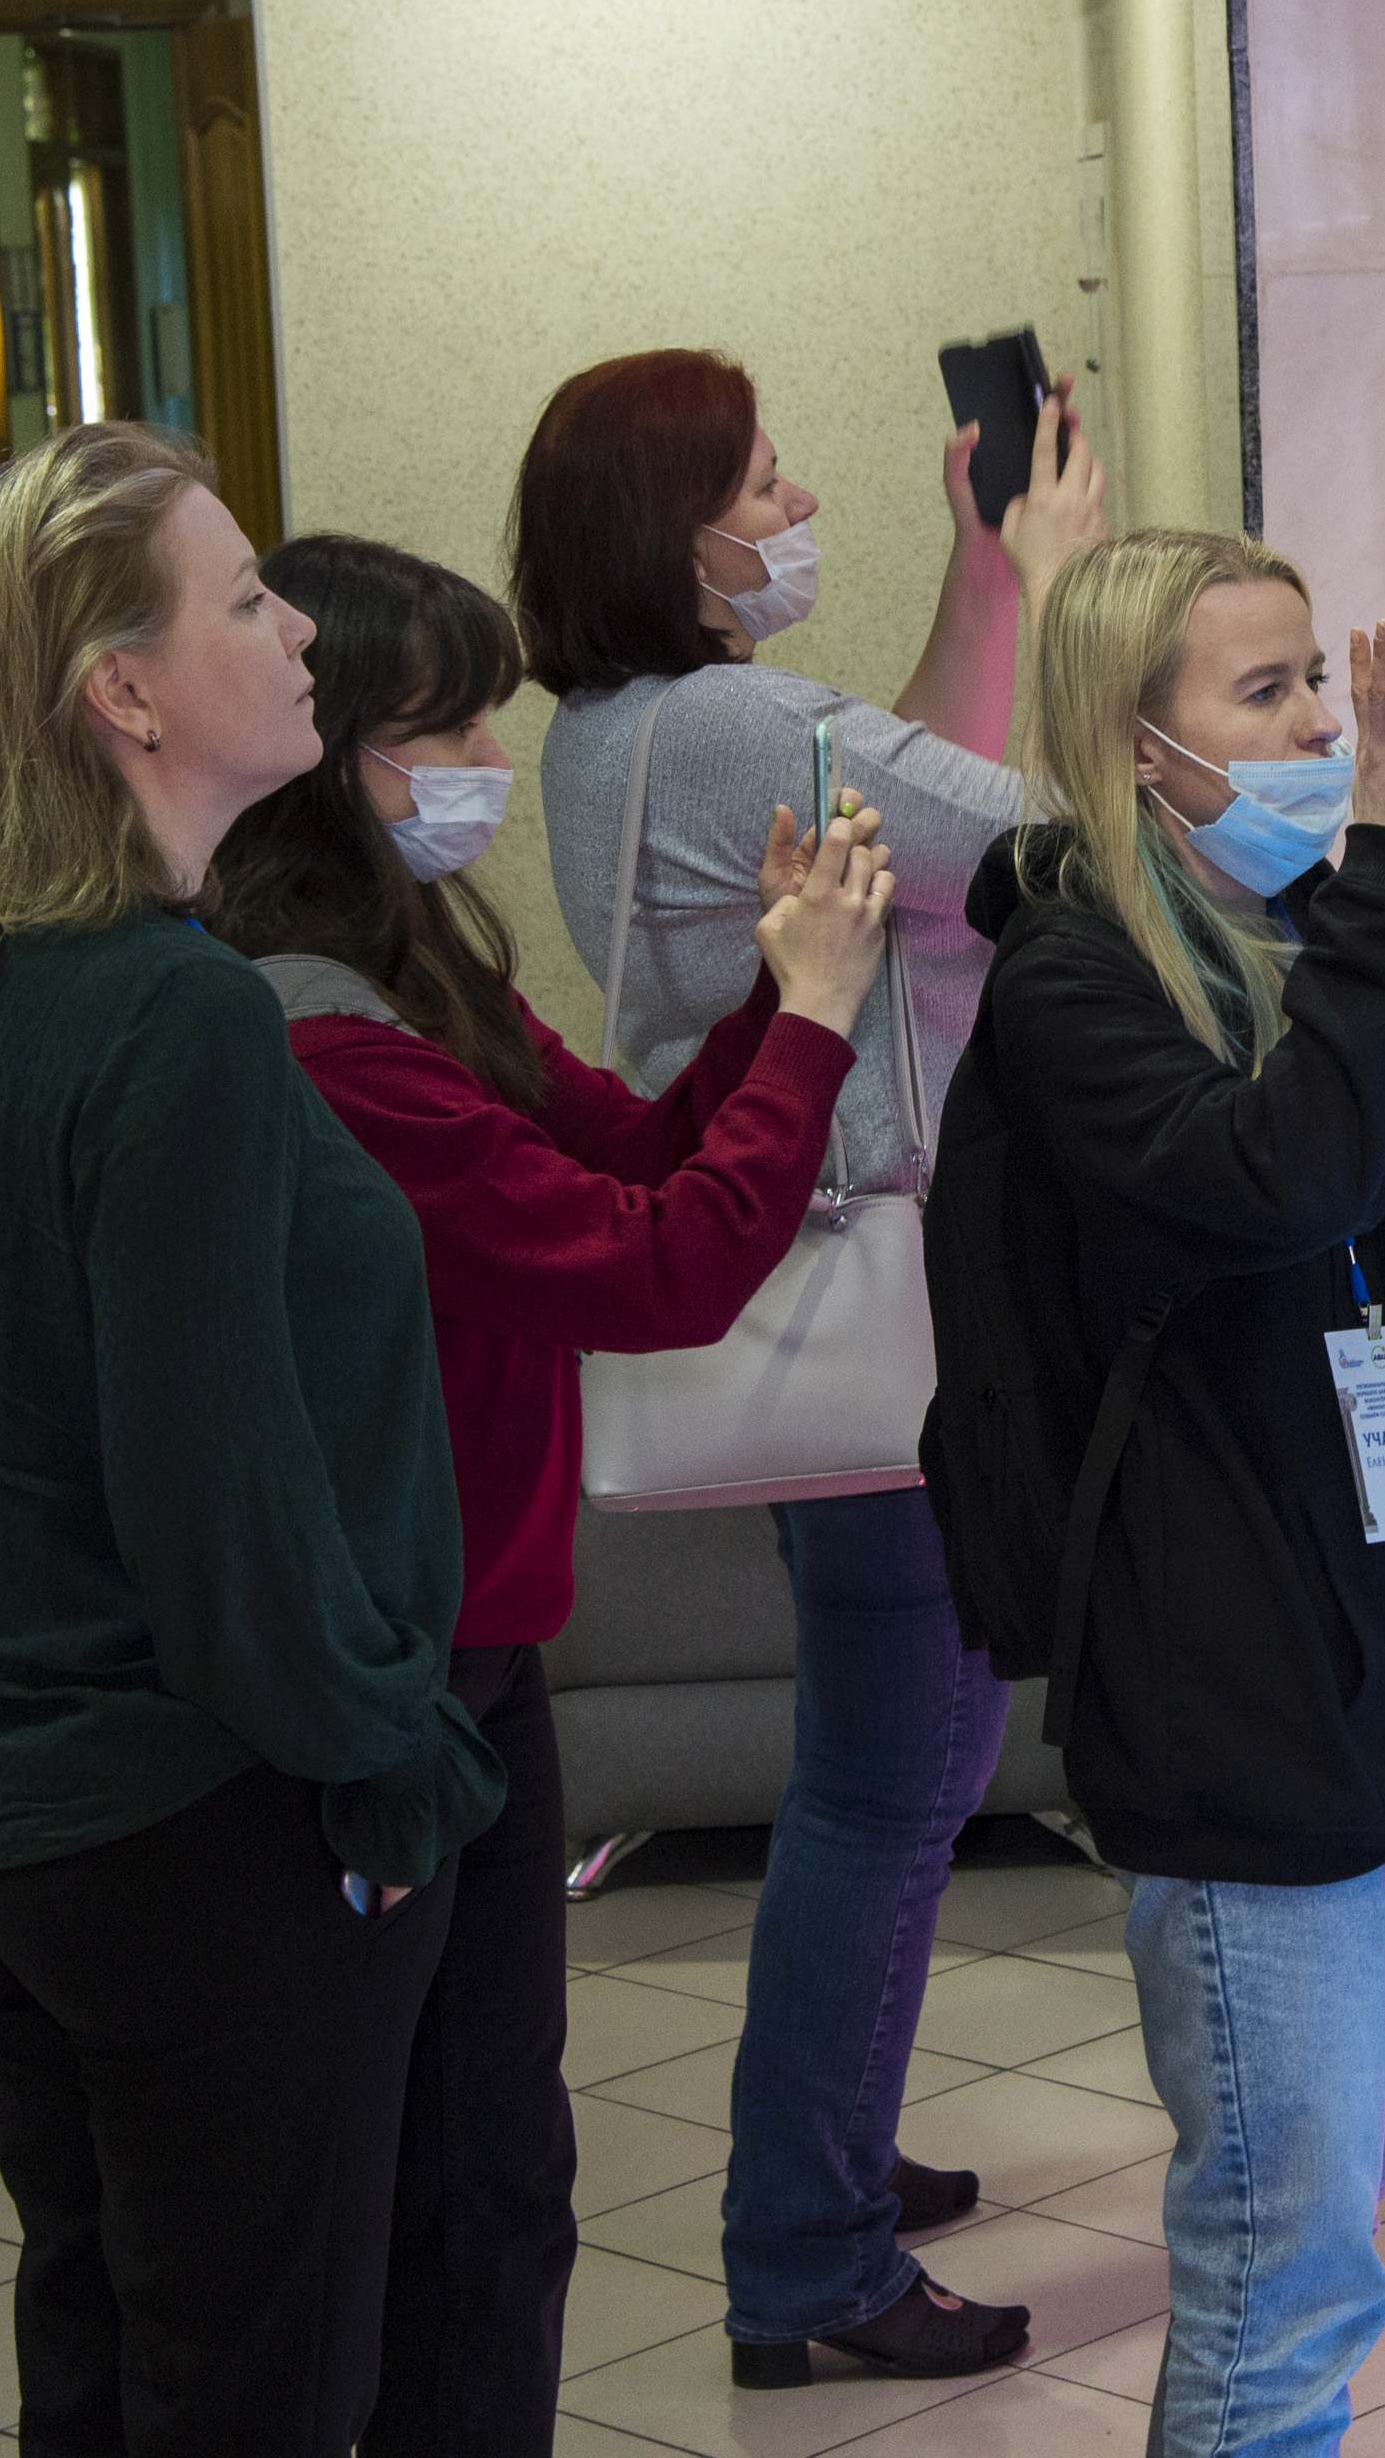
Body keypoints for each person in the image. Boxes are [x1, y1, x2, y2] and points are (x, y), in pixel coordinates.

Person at [932, 531, 1385, 2454]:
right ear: (1132, 740)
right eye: (1262, 695)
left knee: (1329, 2227)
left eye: (1318, 689)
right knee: (1290, 2273)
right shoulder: (1070, 980)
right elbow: (1286, 1179)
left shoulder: (1330, 930)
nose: (1324, 731)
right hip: (1233, 1698)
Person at [205, 534, 897, 2453]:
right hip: (387, 1677)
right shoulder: (316, 1038)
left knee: (499, 2168)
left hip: (484, 1647)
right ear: (323, 747)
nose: (488, 756)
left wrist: (777, 996)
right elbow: (652, 1265)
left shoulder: (423, 978)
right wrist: (824, 1017)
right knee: (422, 2190)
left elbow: (643, 1150)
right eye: (443, 724)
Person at [0, 420, 507, 2455]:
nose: (295, 620)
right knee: (248, 2393)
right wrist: (394, 1766)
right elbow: (220, 1513)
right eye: (241, 597)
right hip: (183, 1832)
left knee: (112, 2363)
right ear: (119, 689)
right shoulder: (178, 1017)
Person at [514, 345, 1099, 2386]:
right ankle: (810, 2251)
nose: (793, 512)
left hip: (795, 1276)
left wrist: (989, 572)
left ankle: (822, 2153)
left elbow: (914, 775)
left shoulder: (623, 728)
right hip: (859, 1296)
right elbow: (1015, 834)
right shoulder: (734, 718)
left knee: (886, 1756)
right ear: (670, 535)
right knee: (893, 1770)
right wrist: (1107, 614)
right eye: (763, 491)